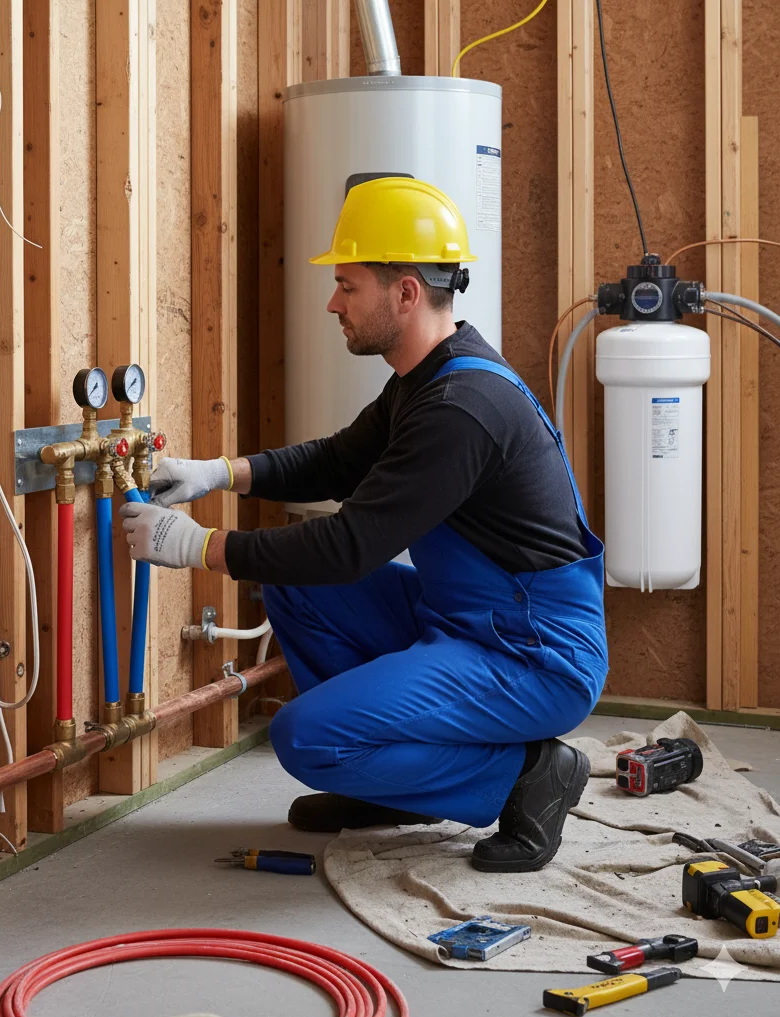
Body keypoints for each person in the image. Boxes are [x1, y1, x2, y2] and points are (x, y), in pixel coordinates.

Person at [120, 177, 608, 873]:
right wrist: (219, 472)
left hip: (533, 652)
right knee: (293, 587)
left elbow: (352, 547)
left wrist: (196, 546)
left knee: (304, 739)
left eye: (348, 286)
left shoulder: (460, 408)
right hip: (472, 620)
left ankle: (528, 774)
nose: (332, 302)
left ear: (405, 292)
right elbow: (340, 460)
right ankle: (394, 785)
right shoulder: (427, 377)